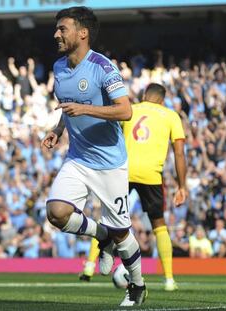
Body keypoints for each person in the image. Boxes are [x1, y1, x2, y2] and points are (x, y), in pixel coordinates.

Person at [41, 6, 146, 306]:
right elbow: (67, 106)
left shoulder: (102, 67)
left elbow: (125, 110)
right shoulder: (59, 68)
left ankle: (137, 285)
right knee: (56, 213)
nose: (56, 34)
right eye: (57, 29)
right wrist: (59, 129)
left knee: (123, 232)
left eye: (63, 28)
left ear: (82, 33)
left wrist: (86, 109)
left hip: (110, 162)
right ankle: (101, 236)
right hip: (78, 157)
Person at [80, 83, 187, 292]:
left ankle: (90, 267)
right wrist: (182, 185)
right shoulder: (171, 115)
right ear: (163, 100)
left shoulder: (132, 109)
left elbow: (110, 137)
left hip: (124, 171)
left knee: (108, 217)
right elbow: (180, 153)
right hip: (151, 175)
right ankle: (169, 280)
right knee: (159, 225)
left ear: (145, 95)